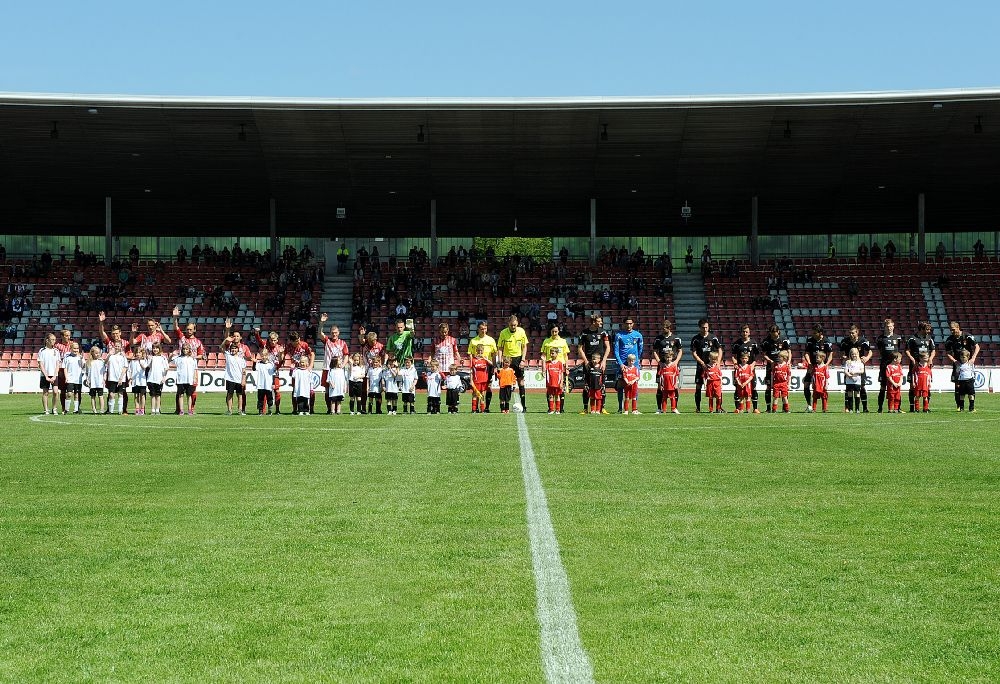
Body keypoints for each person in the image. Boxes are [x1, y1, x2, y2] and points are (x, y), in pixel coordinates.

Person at [172, 307, 207, 414]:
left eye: (191, 329)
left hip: (192, 369)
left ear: (194, 330)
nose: (189, 331)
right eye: (187, 329)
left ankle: (191, 408)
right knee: (180, 390)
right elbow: (175, 327)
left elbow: (201, 356)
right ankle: (179, 409)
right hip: (182, 368)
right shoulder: (182, 338)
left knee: (192, 390)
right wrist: (175, 317)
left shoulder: (198, 342)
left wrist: (192, 357)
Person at [577, 314, 611, 414]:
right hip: (589, 363)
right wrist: (586, 361)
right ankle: (585, 408)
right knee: (587, 386)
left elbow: (608, 347)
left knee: (602, 385)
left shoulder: (603, 332)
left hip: (600, 363)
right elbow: (580, 348)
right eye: (599, 321)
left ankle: (602, 408)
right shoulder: (584, 333)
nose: (601, 323)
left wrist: (604, 361)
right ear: (593, 322)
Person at [319, 314, 351, 414]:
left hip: (338, 370)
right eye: (332, 333)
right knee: (327, 389)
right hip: (327, 368)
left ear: (339, 333)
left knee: (338, 389)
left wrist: (343, 365)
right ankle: (329, 408)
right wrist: (321, 323)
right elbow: (320, 333)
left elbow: (346, 355)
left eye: (336, 332)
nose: (334, 334)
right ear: (330, 333)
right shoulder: (327, 340)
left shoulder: (343, 343)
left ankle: (337, 409)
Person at [943, 321, 980, 411]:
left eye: (953, 329)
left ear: (958, 327)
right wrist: (955, 361)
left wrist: (973, 358)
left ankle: (972, 407)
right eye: (951, 330)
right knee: (957, 385)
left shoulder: (967, 336)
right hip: (958, 364)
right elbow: (948, 353)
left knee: (970, 385)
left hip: (968, 364)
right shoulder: (949, 340)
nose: (952, 331)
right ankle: (959, 406)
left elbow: (977, 347)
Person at [497, 315, 529, 412]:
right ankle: (504, 407)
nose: (513, 327)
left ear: (517, 323)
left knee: (521, 382)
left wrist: (523, 360)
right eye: (511, 325)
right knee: (505, 383)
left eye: (515, 325)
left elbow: (524, 347)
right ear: (508, 324)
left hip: (518, 359)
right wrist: (500, 360)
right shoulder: (503, 333)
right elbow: (500, 348)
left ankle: (523, 406)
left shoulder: (521, 331)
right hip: (507, 359)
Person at [838, 324, 873, 412]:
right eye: (850, 333)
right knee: (848, 388)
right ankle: (847, 407)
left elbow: (870, 352)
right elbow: (841, 353)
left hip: (859, 366)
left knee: (862, 387)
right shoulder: (845, 341)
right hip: (849, 366)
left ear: (857, 332)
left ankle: (865, 408)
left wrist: (867, 358)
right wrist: (844, 357)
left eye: (853, 333)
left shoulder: (863, 341)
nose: (851, 335)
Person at [652, 319, 683, 414]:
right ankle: (659, 408)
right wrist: (659, 362)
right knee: (659, 386)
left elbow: (680, 351)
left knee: (675, 387)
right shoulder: (658, 339)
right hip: (662, 366)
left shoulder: (676, 338)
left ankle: (674, 408)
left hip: (673, 366)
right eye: (662, 328)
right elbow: (654, 351)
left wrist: (676, 362)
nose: (663, 330)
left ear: (669, 328)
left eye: (664, 328)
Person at [690, 319, 721, 413]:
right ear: (699, 327)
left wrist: (718, 362)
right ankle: (698, 408)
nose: (705, 329)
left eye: (706, 327)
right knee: (698, 386)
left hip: (712, 366)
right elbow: (694, 353)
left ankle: (719, 408)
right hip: (701, 366)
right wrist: (702, 363)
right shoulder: (696, 339)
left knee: (717, 387)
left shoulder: (713, 338)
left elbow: (720, 349)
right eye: (703, 327)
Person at [253, 326, 286, 413]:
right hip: (265, 370)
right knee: (264, 390)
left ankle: (277, 410)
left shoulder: (280, 348)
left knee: (276, 390)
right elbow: (259, 340)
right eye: (271, 340)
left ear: (277, 340)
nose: (273, 342)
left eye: (274, 340)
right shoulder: (265, 345)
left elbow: (281, 361)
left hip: (274, 371)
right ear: (269, 340)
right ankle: (263, 410)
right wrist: (256, 333)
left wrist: (281, 354)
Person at [614, 318, 643, 413]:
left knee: (634, 385)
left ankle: (635, 409)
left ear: (633, 324)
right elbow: (616, 351)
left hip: (633, 364)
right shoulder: (619, 335)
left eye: (630, 323)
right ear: (624, 324)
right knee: (620, 385)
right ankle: (620, 408)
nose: (629, 325)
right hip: (622, 364)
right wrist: (620, 363)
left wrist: (636, 361)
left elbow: (640, 349)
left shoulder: (638, 335)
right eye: (627, 323)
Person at [468, 321, 498, 412]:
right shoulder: (473, 341)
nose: (483, 330)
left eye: (485, 329)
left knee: (488, 387)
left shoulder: (491, 340)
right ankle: (475, 408)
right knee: (476, 388)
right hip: (477, 366)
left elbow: (494, 354)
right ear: (478, 329)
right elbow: (470, 354)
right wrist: (471, 366)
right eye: (481, 329)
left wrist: (495, 366)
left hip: (488, 366)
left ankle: (486, 407)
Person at [759, 324, 791, 413]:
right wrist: (770, 361)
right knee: (768, 387)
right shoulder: (766, 341)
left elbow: (789, 351)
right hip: (771, 366)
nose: (773, 335)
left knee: (784, 388)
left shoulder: (784, 340)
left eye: (775, 333)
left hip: (783, 366)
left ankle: (784, 408)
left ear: (778, 332)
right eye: (771, 333)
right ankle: (768, 408)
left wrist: (788, 362)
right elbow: (764, 354)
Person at [875, 318, 904, 413]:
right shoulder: (880, 338)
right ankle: (880, 408)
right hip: (884, 365)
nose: (889, 328)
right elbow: (880, 350)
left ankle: (897, 408)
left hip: (895, 366)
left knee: (897, 387)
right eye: (887, 326)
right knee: (883, 387)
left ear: (893, 326)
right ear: (885, 327)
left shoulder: (898, 337)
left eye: (891, 326)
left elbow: (897, 351)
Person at [906, 322, 936, 412]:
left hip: (926, 365)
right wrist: (912, 359)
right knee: (912, 386)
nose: (929, 331)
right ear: (921, 329)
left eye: (929, 329)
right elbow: (907, 350)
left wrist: (930, 359)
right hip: (915, 365)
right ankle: (912, 407)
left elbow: (933, 350)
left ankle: (926, 407)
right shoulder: (912, 338)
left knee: (927, 386)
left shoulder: (929, 338)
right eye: (927, 329)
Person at [802, 324, 833, 412]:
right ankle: (809, 405)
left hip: (822, 368)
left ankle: (824, 407)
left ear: (820, 333)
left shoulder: (826, 341)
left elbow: (831, 354)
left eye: (815, 333)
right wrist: (809, 363)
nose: (813, 334)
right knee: (806, 384)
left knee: (823, 388)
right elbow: (806, 353)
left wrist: (826, 364)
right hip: (812, 367)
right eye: (813, 332)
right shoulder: (810, 341)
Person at [283, 330, 316, 413]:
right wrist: (281, 353)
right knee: (295, 390)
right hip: (296, 371)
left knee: (310, 390)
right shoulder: (288, 346)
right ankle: (295, 409)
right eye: (296, 341)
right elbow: (282, 356)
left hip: (305, 370)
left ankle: (311, 408)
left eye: (299, 339)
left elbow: (312, 354)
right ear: (291, 341)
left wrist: (310, 365)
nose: (298, 342)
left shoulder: (304, 345)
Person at [730, 324, 760, 413]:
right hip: (740, 369)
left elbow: (757, 356)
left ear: (749, 332)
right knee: (737, 387)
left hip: (750, 369)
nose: (745, 333)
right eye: (743, 332)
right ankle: (737, 408)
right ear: (741, 332)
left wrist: (753, 364)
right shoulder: (737, 343)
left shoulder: (753, 343)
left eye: (746, 332)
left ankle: (755, 408)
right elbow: (733, 356)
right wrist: (735, 363)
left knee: (753, 387)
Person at [221, 335, 248, 416]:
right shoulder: (228, 356)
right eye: (232, 348)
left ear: (238, 350)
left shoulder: (241, 359)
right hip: (230, 379)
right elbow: (221, 347)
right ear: (230, 349)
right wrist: (225, 340)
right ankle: (229, 410)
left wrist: (243, 380)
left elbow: (244, 371)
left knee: (240, 395)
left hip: (239, 379)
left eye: (235, 348)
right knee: (230, 394)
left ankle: (240, 410)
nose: (233, 350)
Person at [61, 341, 86, 415]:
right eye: (74, 348)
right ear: (71, 348)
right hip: (70, 378)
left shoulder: (80, 357)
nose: (76, 350)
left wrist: (82, 359)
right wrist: (66, 377)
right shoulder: (67, 357)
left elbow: (84, 367)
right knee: (69, 394)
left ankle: (76, 410)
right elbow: (65, 368)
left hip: (78, 379)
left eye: (77, 348)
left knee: (76, 394)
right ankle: (66, 409)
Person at [172, 344, 198, 415]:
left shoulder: (193, 359)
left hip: (189, 379)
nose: (185, 350)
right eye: (184, 349)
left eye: (186, 349)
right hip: (180, 379)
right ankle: (181, 410)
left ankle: (189, 410)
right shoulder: (178, 358)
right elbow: (169, 361)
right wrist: (172, 355)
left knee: (189, 395)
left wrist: (195, 377)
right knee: (181, 395)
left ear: (189, 350)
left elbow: (195, 369)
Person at [105, 340, 129, 415]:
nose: (117, 347)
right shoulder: (110, 355)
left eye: (118, 346)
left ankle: (120, 411)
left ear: (121, 347)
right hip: (112, 378)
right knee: (111, 394)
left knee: (120, 394)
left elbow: (125, 367)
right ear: (113, 346)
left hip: (121, 378)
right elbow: (105, 363)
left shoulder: (123, 356)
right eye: (116, 346)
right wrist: (109, 355)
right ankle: (110, 411)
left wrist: (121, 378)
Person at [146, 343, 170, 415]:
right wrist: (149, 360)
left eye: (157, 348)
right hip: (151, 379)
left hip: (159, 379)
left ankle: (157, 409)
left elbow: (166, 368)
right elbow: (148, 366)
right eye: (154, 348)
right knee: (152, 395)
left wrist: (164, 377)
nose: (155, 350)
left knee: (158, 395)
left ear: (159, 349)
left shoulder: (163, 357)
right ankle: (153, 410)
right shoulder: (151, 357)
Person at [54, 328, 74, 414]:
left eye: (69, 335)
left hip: (71, 369)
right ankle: (63, 407)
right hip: (61, 369)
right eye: (66, 335)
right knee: (63, 390)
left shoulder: (72, 345)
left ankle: (76, 408)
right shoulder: (57, 346)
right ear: (62, 336)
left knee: (74, 390)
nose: (68, 337)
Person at [126, 345, 149, 416]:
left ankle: (142, 409)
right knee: (136, 395)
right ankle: (137, 409)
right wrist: (130, 378)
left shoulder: (144, 361)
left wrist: (140, 362)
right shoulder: (132, 362)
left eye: (139, 352)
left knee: (142, 395)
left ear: (142, 354)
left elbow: (145, 368)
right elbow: (129, 370)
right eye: (137, 353)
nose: (138, 354)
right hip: (135, 381)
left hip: (142, 381)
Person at [85, 345, 107, 414]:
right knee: (93, 396)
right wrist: (87, 380)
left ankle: (102, 409)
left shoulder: (101, 362)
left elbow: (104, 371)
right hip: (92, 382)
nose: (98, 354)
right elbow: (87, 372)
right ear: (92, 353)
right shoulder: (89, 362)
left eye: (99, 353)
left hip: (99, 382)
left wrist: (104, 379)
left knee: (101, 396)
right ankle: (94, 409)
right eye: (96, 353)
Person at [253, 351, 277, 415]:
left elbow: (273, 374)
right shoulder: (259, 363)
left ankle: (270, 410)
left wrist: (273, 383)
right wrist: (254, 362)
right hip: (260, 384)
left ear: (267, 356)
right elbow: (254, 369)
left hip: (268, 384)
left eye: (265, 355)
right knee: (260, 398)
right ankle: (260, 410)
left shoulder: (271, 364)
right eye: (262, 355)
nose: (264, 357)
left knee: (269, 398)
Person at [544, 347, 566, 415]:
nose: (551, 354)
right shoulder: (548, 363)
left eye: (553, 353)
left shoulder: (560, 363)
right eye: (550, 353)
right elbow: (544, 371)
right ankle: (551, 409)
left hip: (557, 383)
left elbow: (561, 373)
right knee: (550, 396)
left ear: (557, 354)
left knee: (557, 396)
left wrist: (561, 382)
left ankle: (557, 410)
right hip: (550, 382)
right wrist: (543, 361)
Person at [469, 345, 490, 414]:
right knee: (475, 394)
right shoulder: (473, 359)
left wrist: (485, 359)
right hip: (476, 380)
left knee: (482, 394)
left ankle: (482, 409)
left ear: (483, 351)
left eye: (481, 351)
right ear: (476, 351)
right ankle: (474, 409)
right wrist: (471, 380)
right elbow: (471, 371)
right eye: (478, 351)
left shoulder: (485, 359)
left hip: (484, 380)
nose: (480, 352)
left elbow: (492, 364)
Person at [843, 347, 865, 413]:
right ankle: (851, 409)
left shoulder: (860, 362)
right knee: (850, 394)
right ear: (850, 354)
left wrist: (855, 372)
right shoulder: (848, 362)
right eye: (852, 354)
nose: (854, 355)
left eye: (855, 354)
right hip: (849, 381)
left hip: (857, 381)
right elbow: (845, 370)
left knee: (857, 394)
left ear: (858, 354)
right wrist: (849, 375)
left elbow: (862, 371)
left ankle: (857, 409)